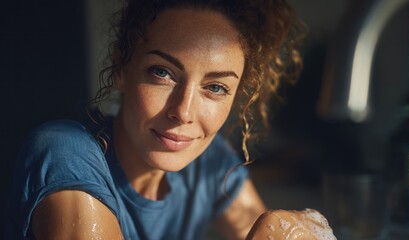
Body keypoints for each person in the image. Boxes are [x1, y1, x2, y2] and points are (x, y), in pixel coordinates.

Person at [6, 0, 336, 239]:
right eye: (162, 73)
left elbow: (269, 229)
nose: (184, 111)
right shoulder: (64, 153)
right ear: (121, 68)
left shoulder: (210, 163)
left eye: (216, 87)